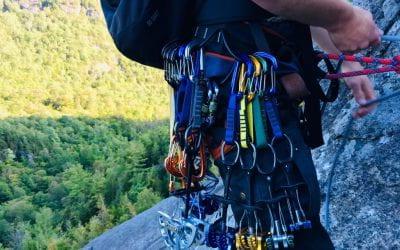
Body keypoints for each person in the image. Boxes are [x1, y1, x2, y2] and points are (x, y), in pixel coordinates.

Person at [188, 0, 381, 249]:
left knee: (283, 225)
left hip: (233, 76)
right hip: (242, 87)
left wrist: (345, 57)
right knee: (287, 232)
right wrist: (343, 19)